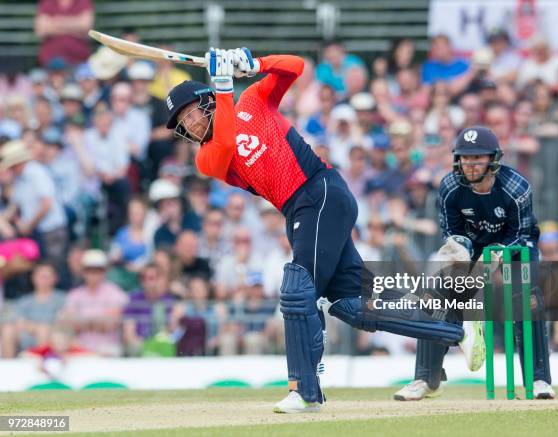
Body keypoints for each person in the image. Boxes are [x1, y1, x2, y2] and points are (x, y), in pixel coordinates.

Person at [164, 48, 485, 413]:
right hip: (299, 208)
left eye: (191, 113)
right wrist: (223, 85)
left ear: (205, 102)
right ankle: (455, 328)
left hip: (320, 190)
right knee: (354, 307)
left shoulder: (253, 99)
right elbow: (224, 141)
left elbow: (295, 68)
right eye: (183, 123)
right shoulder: (206, 158)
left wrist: (254, 64)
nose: (189, 125)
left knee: (298, 288)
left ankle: (304, 391)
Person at [395, 126, 555, 402]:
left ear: (493, 159)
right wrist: (464, 265)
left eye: (477, 158)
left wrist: (496, 261)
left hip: (514, 248)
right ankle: (426, 378)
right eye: (465, 158)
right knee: (434, 295)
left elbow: (521, 233)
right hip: (471, 250)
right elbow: (452, 234)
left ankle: (538, 379)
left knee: (527, 297)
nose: (469, 165)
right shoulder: (448, 188)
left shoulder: (517, 188)